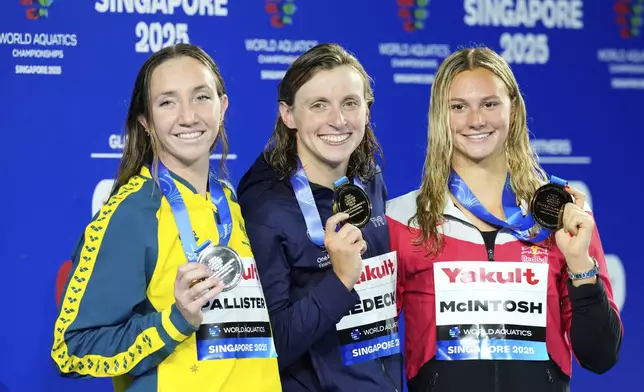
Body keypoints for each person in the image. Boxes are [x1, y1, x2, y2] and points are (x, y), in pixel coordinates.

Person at [385, 46, 623, 392]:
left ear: (513, 110)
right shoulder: (403, 219)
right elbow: (366, 346)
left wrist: (579, 265)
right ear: (440, 116)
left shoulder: (562, 215)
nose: (476, 119)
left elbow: (600, 356)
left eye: (490, 103)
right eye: (458, 107)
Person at [51, 43, 282, 392]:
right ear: (145, 121)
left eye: (201, 97)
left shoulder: (231, 200)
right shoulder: (131, 214)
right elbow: (72, 350)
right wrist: (174, 322)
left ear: (223, 106)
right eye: (167, 102)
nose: (188, 116)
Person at [236, 43, 403, 392]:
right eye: (318, 105)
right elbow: (269, 345)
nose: (338, 120)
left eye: (350, 103)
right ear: (288, 115)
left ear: (367, 110)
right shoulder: (265, 206)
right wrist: (339, 280)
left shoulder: (369, 178)